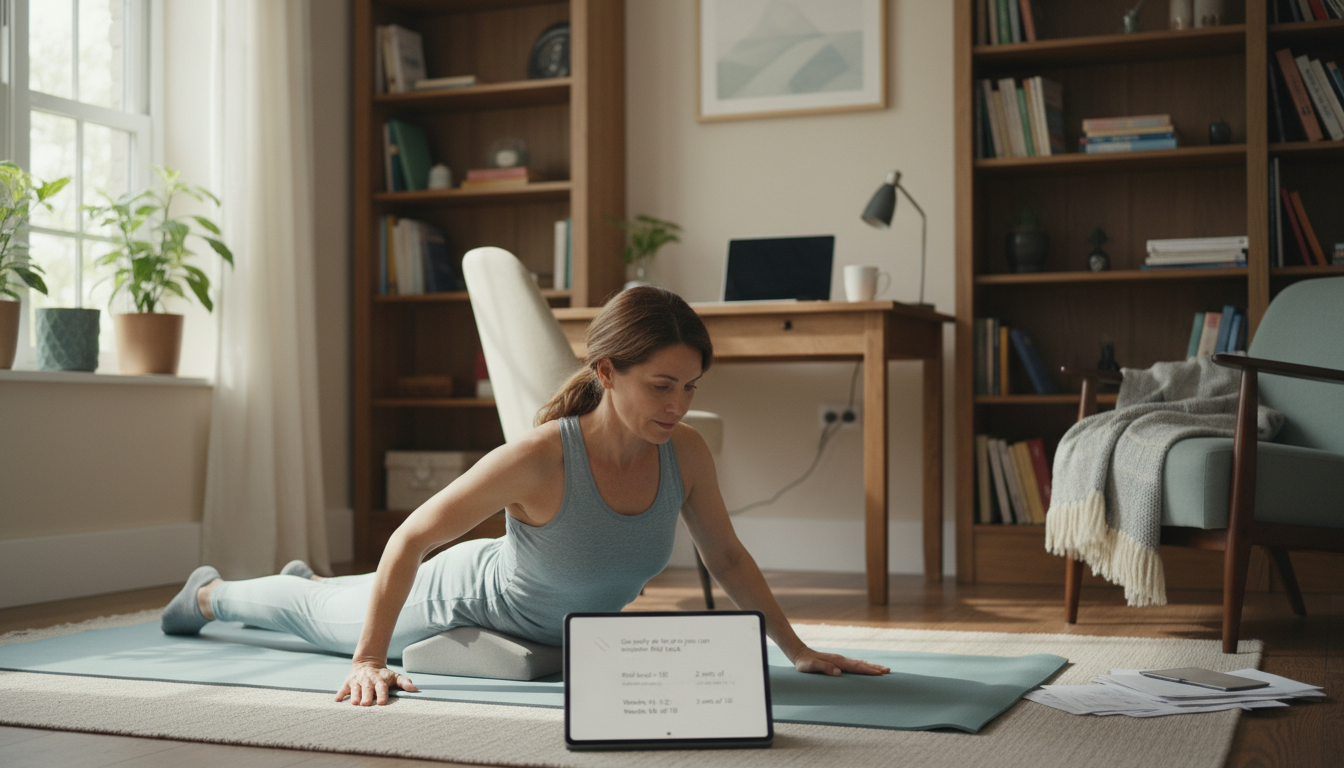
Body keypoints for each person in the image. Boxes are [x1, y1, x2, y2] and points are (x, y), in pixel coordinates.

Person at [161, 286, 890, 706]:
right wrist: (367, 660)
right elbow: (410, 539)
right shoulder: (541, 457)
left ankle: (310, 587)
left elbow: (726, 556)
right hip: (453, 601)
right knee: (316, 616)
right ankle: (209, 593)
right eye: (661, 386)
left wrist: (794, 649)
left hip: (540, 632)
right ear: (606, 372)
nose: (678, 404)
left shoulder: (686, 453)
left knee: (328, 598)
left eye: (691, 387)